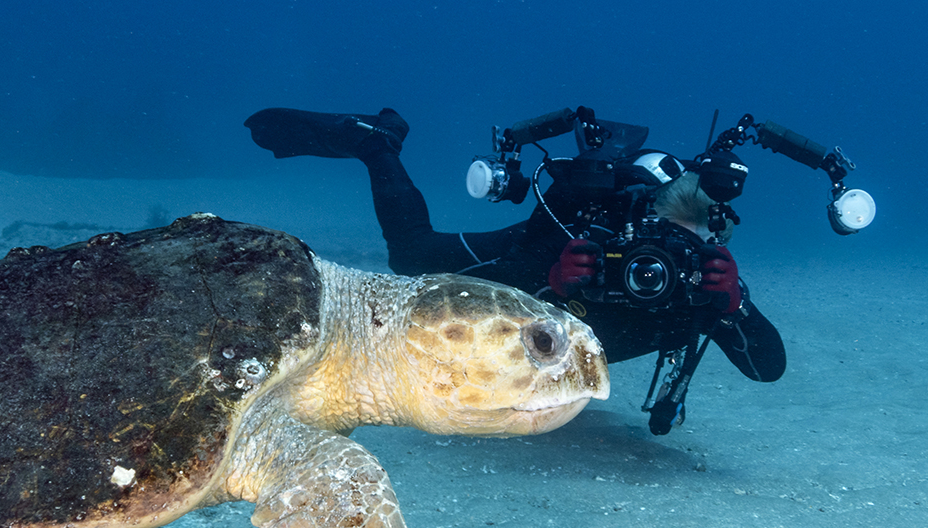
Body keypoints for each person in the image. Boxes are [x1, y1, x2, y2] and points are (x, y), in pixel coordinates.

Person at [245, 106, 786, 434]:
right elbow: (486, 316)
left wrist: (732, 303)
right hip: (543, 258)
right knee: (410, 256)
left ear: (713, 241)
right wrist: (545, 286)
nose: (659, 259)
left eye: (682, 243)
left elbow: (767, 369)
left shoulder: (704, 284)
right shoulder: (581, 249)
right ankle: (376, 143)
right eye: (655, 237)